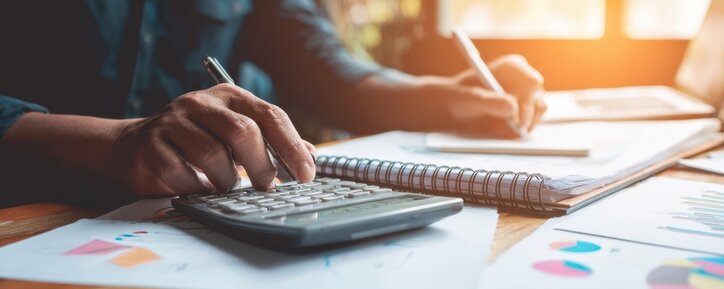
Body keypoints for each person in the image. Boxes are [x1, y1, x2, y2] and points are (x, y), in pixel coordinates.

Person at [0, 0, 546, 208]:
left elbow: (331, 75)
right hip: (28, 213)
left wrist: (451, 95)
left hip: (185, 218)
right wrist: (117, 143)